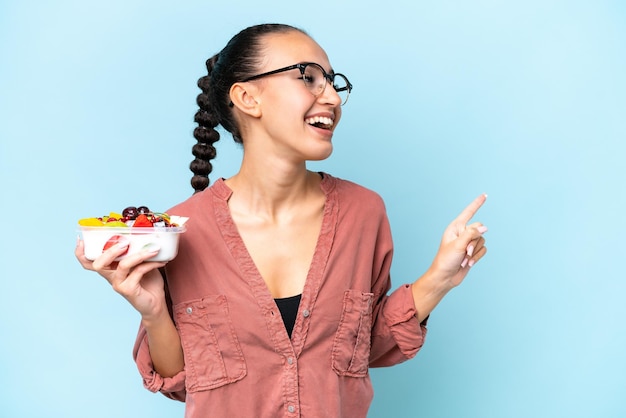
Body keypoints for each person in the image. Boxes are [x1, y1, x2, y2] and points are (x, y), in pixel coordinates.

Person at [75, 23, 488, 418]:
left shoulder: (365, 213)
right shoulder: (182, 231)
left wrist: (439, 278)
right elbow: (180, 382)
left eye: (333, 82)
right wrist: (153, 314)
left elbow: (363, 351)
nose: (333, 98)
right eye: (308, 77)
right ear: (247, 98)